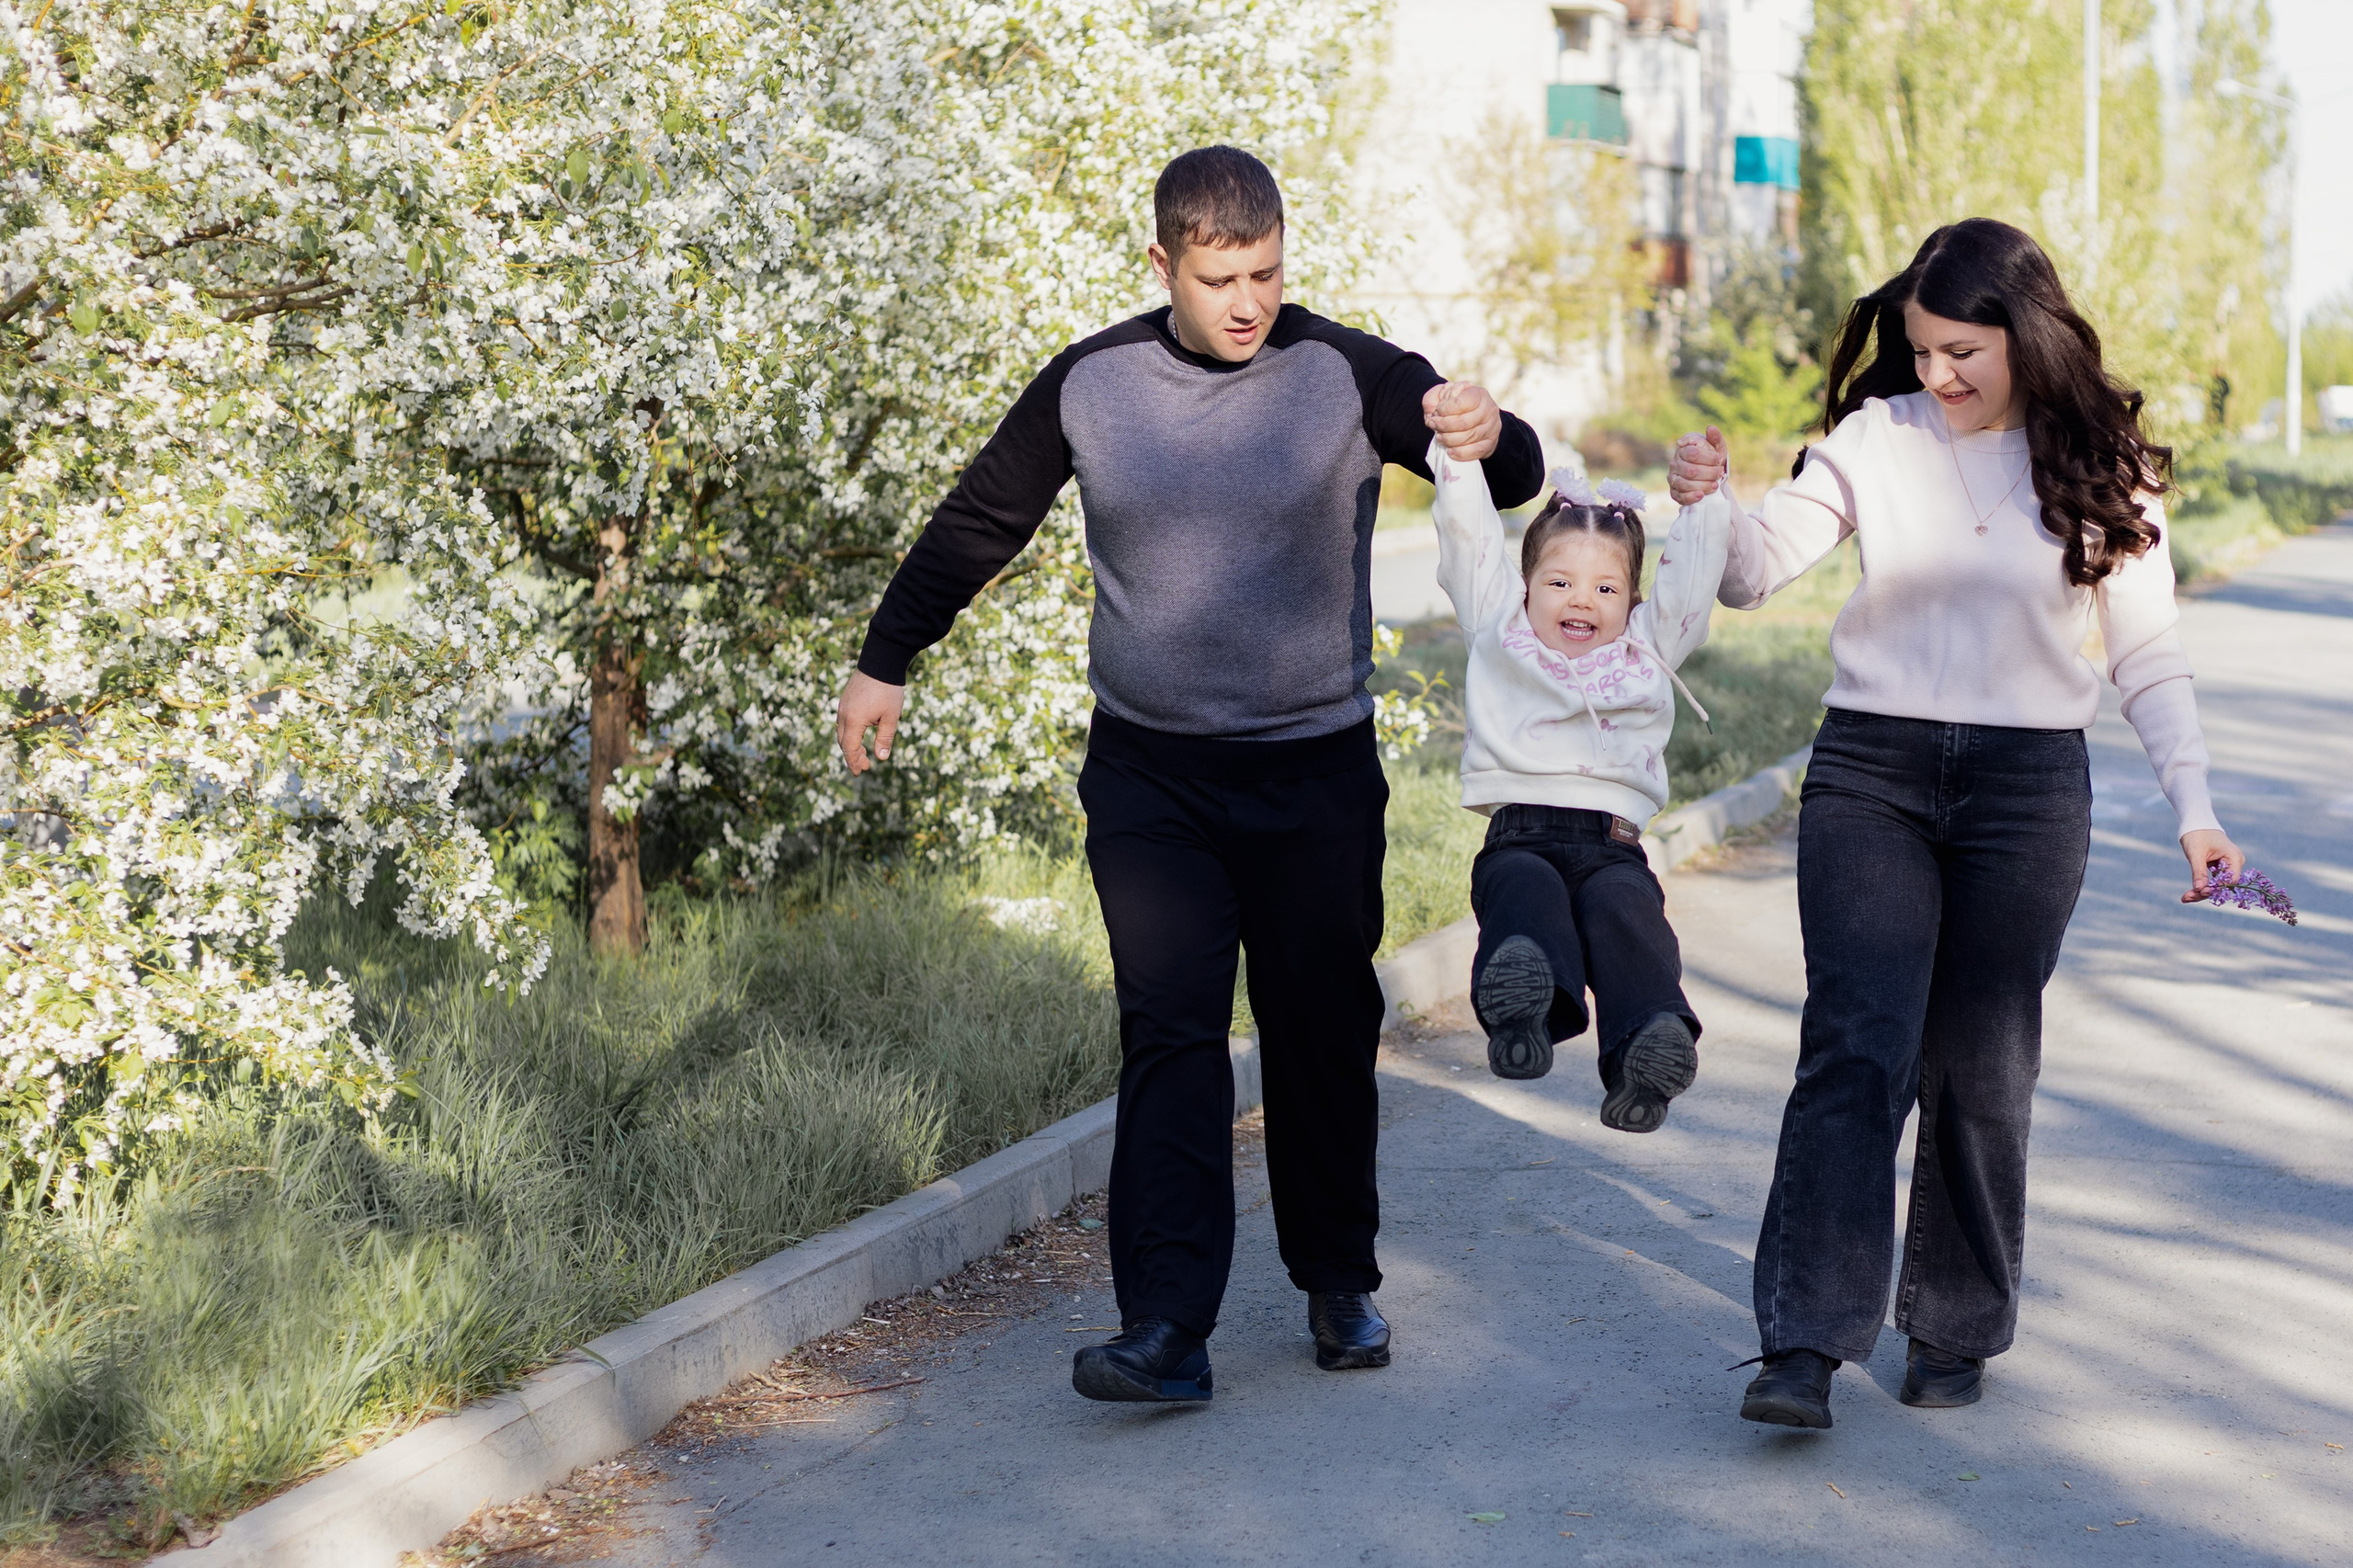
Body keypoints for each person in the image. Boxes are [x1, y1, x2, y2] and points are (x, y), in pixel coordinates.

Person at [835, 146, 1544, 1403]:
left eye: (1266, 273)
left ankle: (1338, 1277)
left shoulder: (1345, 371)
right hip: (1152, 776)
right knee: (1170, 1032)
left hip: (1312, 769)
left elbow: (1501, 469)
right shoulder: (1095, 382)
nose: (1247, 303)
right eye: (1220, 278)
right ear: (1162, 263)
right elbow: (980, 519)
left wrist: (1495, 434)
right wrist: (886, 655)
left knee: (1321, 1025)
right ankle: (1166, 1325)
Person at [1665, 218, 2245, 1429]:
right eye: (1922, 350)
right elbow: (1759, 567)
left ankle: (1955, 1321)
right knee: (1856, 1039)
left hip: (2029, 791)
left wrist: (2196, 811)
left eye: (1961, 351)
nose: (1937, 375)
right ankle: (1804, 1342)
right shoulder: (1877, 438)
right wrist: (1709, 508)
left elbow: (2148, 655)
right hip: (1873, 770)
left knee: (1983, 1061)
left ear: (2024, 336)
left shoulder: (2106, 463)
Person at [1427, 435, 1731, 1131]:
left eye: (1605, 589)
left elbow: (1692, 580)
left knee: (1629, 919)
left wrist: (1707, 502)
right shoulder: (1499, 630)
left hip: (1613, 845)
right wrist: (1458, 456)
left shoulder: (1648, 649)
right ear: (1525, 584)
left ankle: (1646, 1049)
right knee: (1524, 898)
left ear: (1632, 600)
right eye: (1559, 583)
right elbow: (1468, 537)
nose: (1581, 602)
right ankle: (1522, 1014)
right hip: (1521, 833)